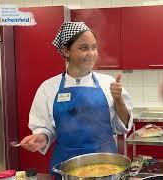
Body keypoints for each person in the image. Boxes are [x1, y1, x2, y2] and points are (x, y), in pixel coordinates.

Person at [19, 22, 134, 175]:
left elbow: (123, 126)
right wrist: (42, 137)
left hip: (106, 163)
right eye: (84, 48)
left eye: (94, 47)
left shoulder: (108, 83)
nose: (91, 54)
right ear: (66, 51)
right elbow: (44, 127)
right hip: (66, 165)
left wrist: (118, 100)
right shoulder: (48, 88)